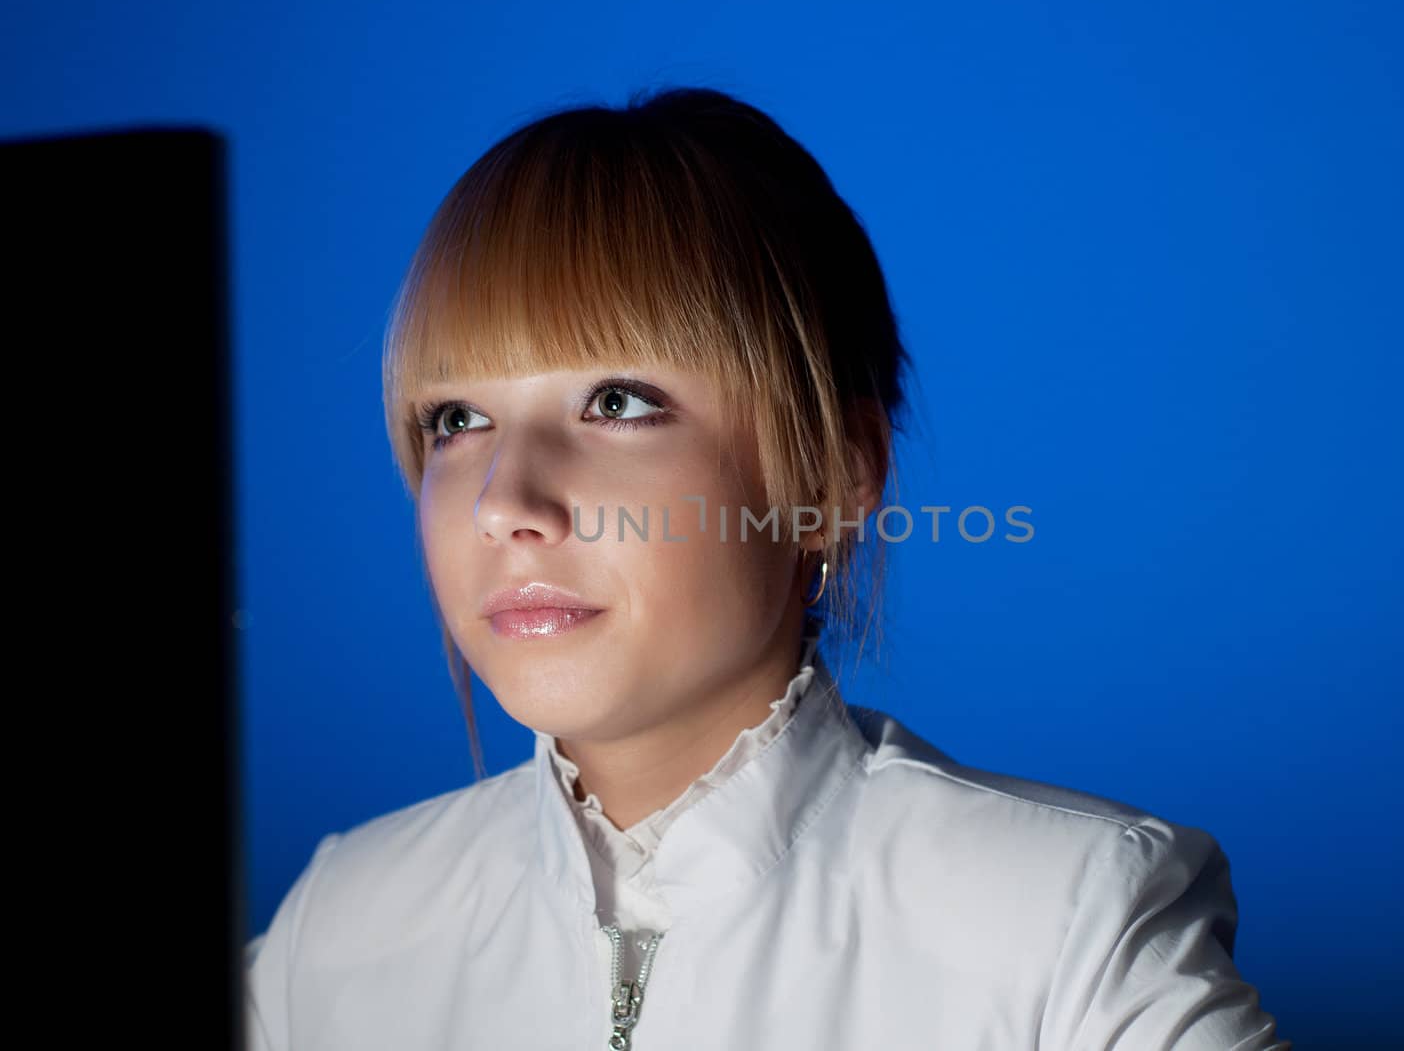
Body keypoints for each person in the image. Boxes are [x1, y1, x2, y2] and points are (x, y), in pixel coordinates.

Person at [244, 85, 1290, 1050]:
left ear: (834, 475)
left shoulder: (1070, 926)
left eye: (617, 402)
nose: (507, 502)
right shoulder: (332, 934)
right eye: (456, 419)